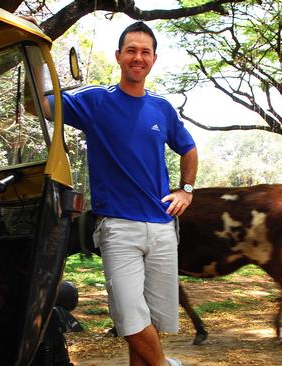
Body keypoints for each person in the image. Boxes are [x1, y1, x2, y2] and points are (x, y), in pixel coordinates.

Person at [40, 21, 198, 366]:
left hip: (161, 227)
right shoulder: (96, 101)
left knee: (153, 320)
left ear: (153, 59)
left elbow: (188, 148)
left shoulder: (163, 108)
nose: (138, 57)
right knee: (129, 319)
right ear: (118, 56)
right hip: (117, 228)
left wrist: (185, 191)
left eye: (145, 52)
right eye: (131, 50)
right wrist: (41, 58)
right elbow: (39, 106)